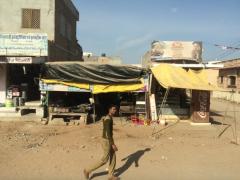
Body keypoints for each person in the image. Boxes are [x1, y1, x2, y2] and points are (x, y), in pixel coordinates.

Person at [83, 105, 120, 180]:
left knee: (113, 156)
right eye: (113, 109)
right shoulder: (108, 119)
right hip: (106, 140)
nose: (114, 111)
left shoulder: (108, 117)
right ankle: (87, 170)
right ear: (109, 110)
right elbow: (108, 133)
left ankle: (110, 175)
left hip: (108, 139)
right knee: (105, 160)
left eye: (115, 109)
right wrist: (112, 144)